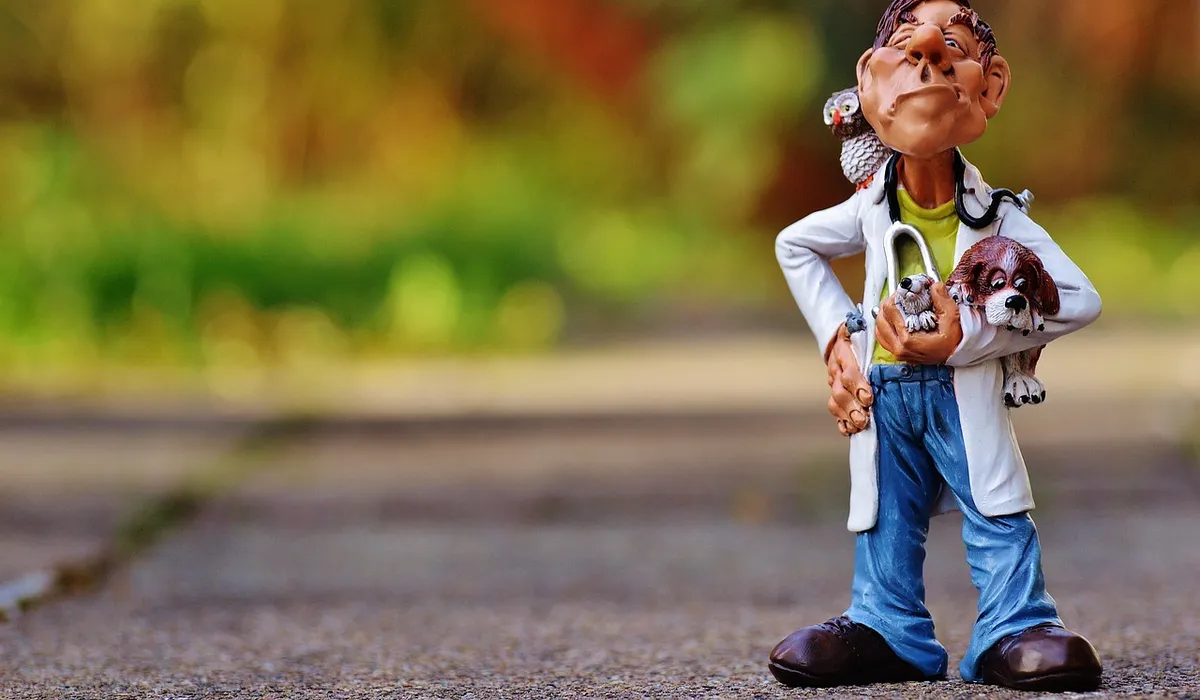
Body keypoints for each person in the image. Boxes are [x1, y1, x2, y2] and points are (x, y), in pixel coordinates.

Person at [769, 0, 1105, 691]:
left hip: (963, 392)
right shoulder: (868, 208)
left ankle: (1014, 625)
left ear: (992, 85)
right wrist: (839, 333)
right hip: (885, 395)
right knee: (885, 513)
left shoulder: (1001, 215)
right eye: (906, 44)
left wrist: (973, 337)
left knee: (997, 509)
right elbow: (795, 246)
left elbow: (1079, 298)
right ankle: (885, 627)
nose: (927, 52)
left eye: (952, 44)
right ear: (869, 83)